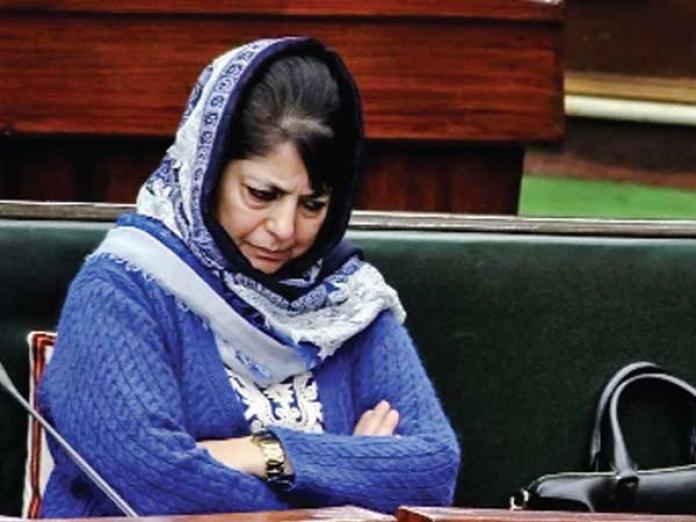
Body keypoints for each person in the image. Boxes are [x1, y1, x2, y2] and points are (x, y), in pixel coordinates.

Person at [39, 37, 460, 517]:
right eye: (261, 194)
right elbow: (158, 483)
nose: (284, 229)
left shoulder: (348, 300)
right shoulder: (120, 290)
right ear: (208, 172)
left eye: (313, 204)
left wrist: (260, 453)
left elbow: (432, 472)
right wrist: (351, 478)